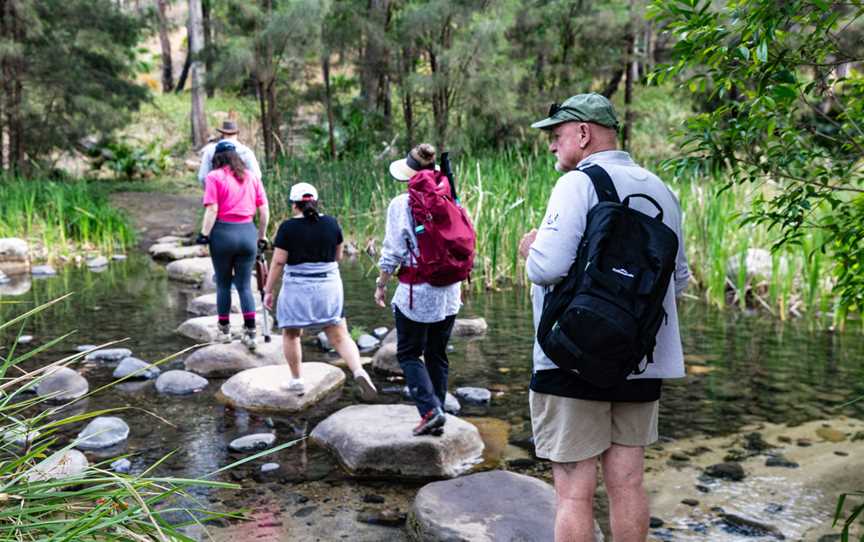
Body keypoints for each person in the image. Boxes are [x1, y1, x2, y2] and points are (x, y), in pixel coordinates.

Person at [519, 93, 690, 542]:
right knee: (628, 482)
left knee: (574, 494)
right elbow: (679, 280)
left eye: (556, 136)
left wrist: (530, 250)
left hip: (571, 358)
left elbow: (547, 268)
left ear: (583, 132)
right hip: (640, 359)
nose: (553, 146)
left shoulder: (578, 183)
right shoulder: (661, 188)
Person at [375, 143, 462, 436]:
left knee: (409, 354)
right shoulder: (451, 196)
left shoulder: (401, 204)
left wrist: (381, 284)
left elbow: (393, 252)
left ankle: (429, 410)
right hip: (450, 292)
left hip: (418, 291)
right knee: (437, 354)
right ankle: (437, 411)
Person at [262, 182, 377, 400]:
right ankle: (358, 370)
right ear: (315, 201)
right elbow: (338, 256)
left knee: (292, 334)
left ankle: (297, 380)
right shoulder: (331, 223)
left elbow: (277, 262)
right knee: (340, 335)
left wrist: (268, 290)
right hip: (329, 286)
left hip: (298, 288)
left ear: (294, 205)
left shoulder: (287, 227)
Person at [197, 140, 269, 350]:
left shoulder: (214, 177)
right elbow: (264, 211)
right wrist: (261, 236)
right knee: (245, 286)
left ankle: (225, 331)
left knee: (223, 284)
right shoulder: (252, 177)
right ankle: (251, 333)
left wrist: (203, 235)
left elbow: (212, 209)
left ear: (217, 159)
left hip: (223, 234)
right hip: (248, 233)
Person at [198, 120, 262, 188]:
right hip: (242, 195)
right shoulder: (246, 152)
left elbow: (202, 177)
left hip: (217, 193)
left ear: (223, 133)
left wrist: (211, 189)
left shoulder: (210, 151)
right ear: (237, 134)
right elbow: (256, 176)